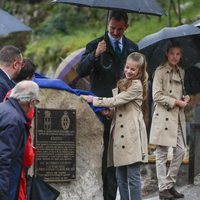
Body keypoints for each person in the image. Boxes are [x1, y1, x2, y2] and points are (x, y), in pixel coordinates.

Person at [77, 10, 138, 200]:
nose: (116, 32)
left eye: (120, 29)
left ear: (126, 27)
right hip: (99, 111)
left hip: (122, 112)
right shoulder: (95, 44)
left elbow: (140, 79)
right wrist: (95, 55)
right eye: (112, 28)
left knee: (115, 161)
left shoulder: (132, 48)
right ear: (108, 24)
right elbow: (80, 70)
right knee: (99, 159)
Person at [81, 52, 148, 200]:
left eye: (133, 69)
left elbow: (117, 100)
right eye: (127, 67)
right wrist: (110, 113)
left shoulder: (136, 85)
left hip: (131, 134)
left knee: (133, 176)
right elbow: (120, 108)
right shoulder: (124, 83)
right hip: (119, 133)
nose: (129, 71)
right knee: (120, 176)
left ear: (140, 71)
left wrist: (93, 99)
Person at [149, 41, 190, 200]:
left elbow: (179, 94)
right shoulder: (159, 72)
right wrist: (176, 102)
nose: (175, 57)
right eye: (172, 53)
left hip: (177, 117)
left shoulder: (181, 71)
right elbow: (156, 96)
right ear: (167, 54)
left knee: (180, 150)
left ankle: (168, 184)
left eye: (178, 54)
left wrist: (184, 98)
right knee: (161, 154)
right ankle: (163, 189)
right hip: (164, 116)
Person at [0, 80, 40, 200]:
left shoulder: (3, 108)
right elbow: (3, 160)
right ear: (31, 102)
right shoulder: (15, 121)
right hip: (6, 184)